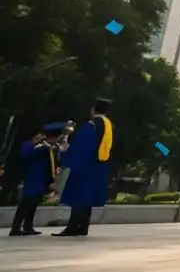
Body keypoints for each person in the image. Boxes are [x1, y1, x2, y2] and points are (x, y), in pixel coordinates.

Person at [54, 99, 114, 237]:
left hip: (86, 165)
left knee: (79, 195)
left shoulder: (91, 125)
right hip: (100, 165)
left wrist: (66, 154)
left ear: (93, 109)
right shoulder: (108, 125)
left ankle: (72, 228)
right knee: (88, 197)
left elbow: (82, 147)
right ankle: (83, 227)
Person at [9, 123, 63, 236]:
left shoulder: (49, 147)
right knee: (25, 204)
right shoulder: (35, 147)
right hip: (32, 180)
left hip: (41, 181)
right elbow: (24, 156)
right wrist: (34, 144)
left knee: (33, 204)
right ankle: (15, 228)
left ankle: (28, 226)